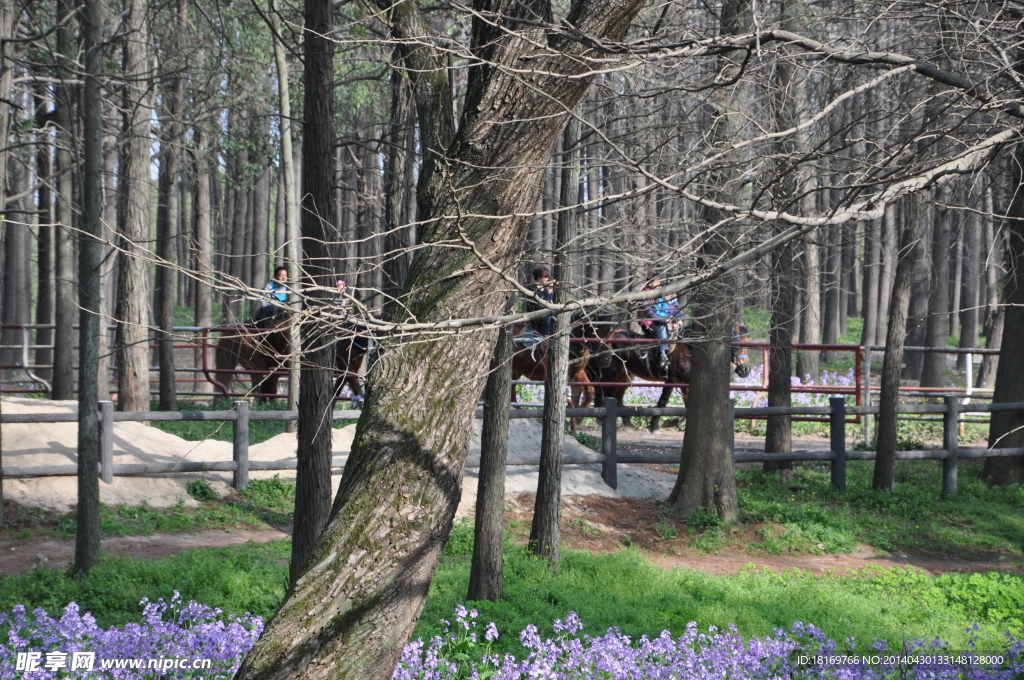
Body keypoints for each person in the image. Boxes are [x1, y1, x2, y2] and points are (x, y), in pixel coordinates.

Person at [638, 275, 679, 370]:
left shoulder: (656, 293)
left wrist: (674, 319)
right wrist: (664, 319)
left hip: (656, 319)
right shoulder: (646, 293)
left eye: (659, 282)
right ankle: (657, 360)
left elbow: (666, 307)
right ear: (650, 283)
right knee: (658, 335)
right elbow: (649, 313)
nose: (658, 284)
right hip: (646, 320)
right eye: (656, 282)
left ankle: (664, 355)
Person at [526, 265, 555, 336]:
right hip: (535, 315)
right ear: (539, 277)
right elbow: (534, 306)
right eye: (545, 277)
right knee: (548, 319)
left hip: (546, 313)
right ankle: (545, 338)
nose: (547, 279)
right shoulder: (532, 289)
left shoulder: (546, 289)